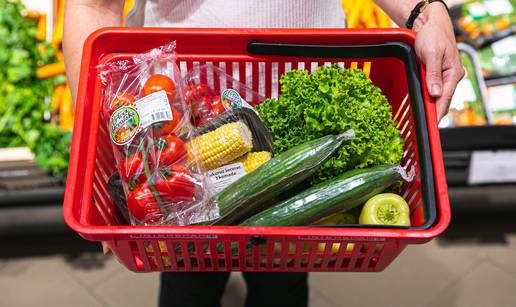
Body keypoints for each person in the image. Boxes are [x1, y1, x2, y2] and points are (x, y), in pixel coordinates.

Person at [63, 1, 464, 307]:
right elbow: (94, 4)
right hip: (178, 110)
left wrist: (426, 13)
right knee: (186, 270)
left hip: (301, 93)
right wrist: (100, 145)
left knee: (284, 269)